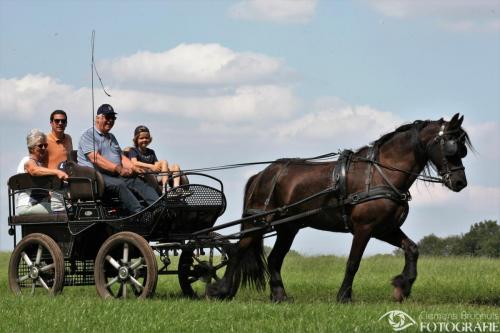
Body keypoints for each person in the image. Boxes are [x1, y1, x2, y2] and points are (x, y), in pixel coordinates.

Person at [77, 103, 159, 214]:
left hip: (114, 174)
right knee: (119, 185)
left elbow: (121, 157)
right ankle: (140, 214)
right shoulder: (88, 135)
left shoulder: (111, 137)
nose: (110, 120)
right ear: (97, 118)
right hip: (97, 176)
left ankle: (159, 207)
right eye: (107, 117)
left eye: (113, 118)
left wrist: (134, 168)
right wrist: (118, 169)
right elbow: (96, 158)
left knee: (137, 180)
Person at [16, 129, 69, 215]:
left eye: (45, 145)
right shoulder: (28, 161)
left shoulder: (39, 164)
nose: (44, 148)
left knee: (65, 205)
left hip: (39, 204)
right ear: (32, 148)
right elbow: (33, 170)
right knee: (62, 208)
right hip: (28, 206)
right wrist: (57, 172)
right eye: (40, 146)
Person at [128, 125, 182, 192]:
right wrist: (151, 166)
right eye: (141, 138)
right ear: (136, 140)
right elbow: (134, 163)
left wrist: (165, 169)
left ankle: (177, 188)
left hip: (156, 174)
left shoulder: (151, 151)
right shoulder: (133, 150)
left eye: (146, 138)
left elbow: (156, 165)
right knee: (163, 161)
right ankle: (166, 187)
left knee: (175, 166)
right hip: (148, 177)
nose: (144, 140)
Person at [46, 109, 73, 212]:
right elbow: (39, 165)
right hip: (53, 187)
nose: (60, 123)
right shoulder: (44, 140)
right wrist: (47, 191)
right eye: (57, 121)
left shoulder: (68, 139)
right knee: (60, 215)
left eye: (63, 121)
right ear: (51, 123)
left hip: (68, 185)